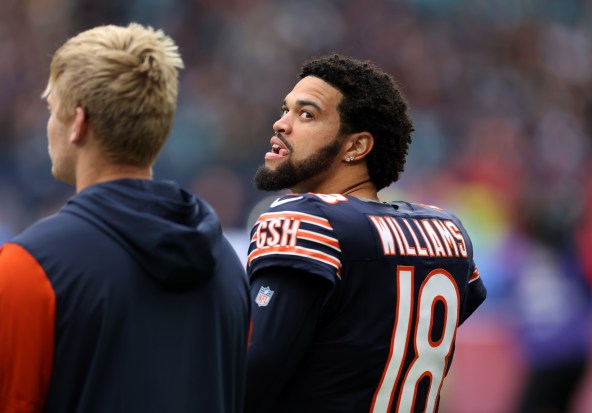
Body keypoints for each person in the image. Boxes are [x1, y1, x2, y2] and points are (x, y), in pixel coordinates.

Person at [0, 23, 250, 413]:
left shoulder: (29, 268)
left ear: (78, 123)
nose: (48, 125)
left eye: (52, 109)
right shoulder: (228, 267)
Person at [245, 54, 487, 413]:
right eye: (286, 110)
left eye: (306, 114)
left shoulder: (307, 219)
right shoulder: (447, 231)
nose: (281, 124)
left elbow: (253, 373)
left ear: (356, 147)